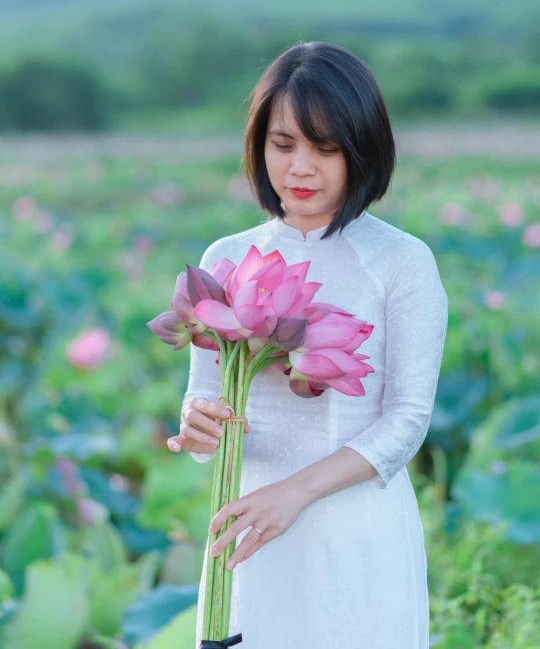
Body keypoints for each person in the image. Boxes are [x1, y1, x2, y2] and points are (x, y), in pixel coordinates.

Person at [166, 41, 449, 649]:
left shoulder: (401, 262)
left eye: (327, 149)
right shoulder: (226, 258)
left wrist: (295, 492)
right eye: (283, 144)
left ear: (364, 151)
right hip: (249, 540)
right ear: (258, 143)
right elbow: (202, 400)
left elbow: (406, 422)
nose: (300, 168)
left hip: (357, 534)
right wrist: (196, 426)